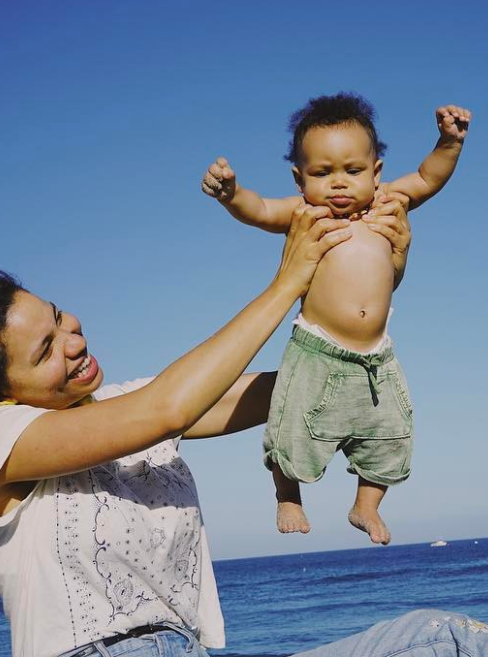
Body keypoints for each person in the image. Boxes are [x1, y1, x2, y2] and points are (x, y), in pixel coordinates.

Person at [0, 207, 488, 657]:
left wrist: (364, 288)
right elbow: (165, 408)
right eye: (44, 350)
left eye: (60, 318)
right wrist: (286, 281)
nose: (73, 342)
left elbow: (296, 384)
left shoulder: (126, 404)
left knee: (455, 642)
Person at [200, 93, 472, 545]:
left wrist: (449, 143)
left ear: (376, 171)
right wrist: (232, 195)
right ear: (300, 177)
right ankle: (288, 494)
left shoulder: (389, 202)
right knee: (291, 428)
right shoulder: (305, 213)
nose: (339, 183)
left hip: (376, 357)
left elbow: (429, 177)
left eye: (353, 170)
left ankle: (366, 505)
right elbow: (261, 209)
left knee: (391, 432)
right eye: (322, 173)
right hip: (318, 350)